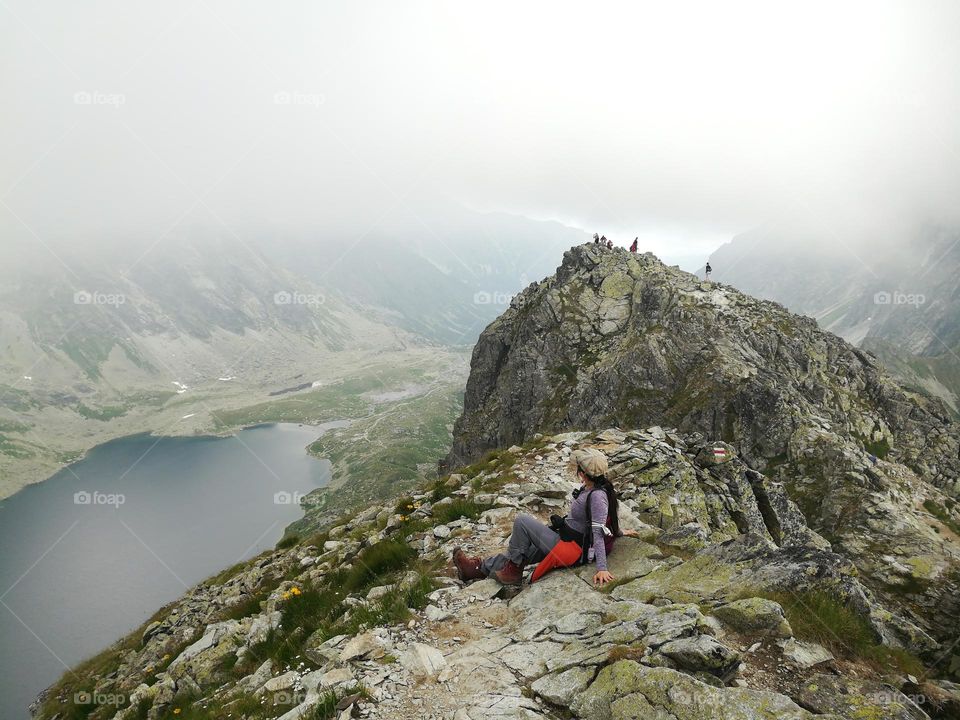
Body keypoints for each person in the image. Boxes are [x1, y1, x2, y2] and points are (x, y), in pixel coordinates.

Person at [452, 449, 639, 587]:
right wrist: (620, 532)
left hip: (573, 549)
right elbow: (608, 520)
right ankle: (476, 569)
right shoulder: (595, 487)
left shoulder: (597, 496)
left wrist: (602, 568)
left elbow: (599, 531)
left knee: (522, 522)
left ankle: (514, 572)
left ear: (582, 473)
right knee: (524, 549)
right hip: (566, 538)